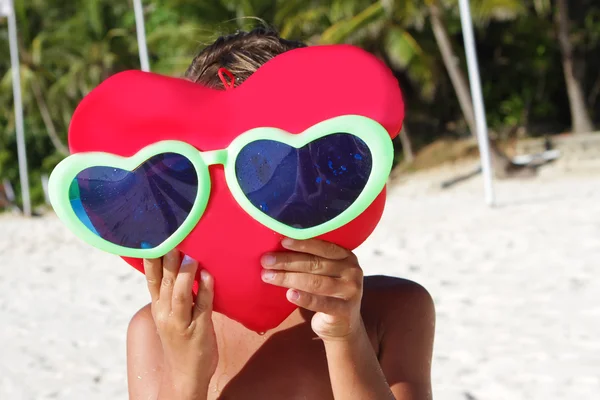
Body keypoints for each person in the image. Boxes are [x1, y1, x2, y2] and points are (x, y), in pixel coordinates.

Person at [126, 28, 435, 400]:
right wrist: (184, 377)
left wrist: (344, 335)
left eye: (272, 167)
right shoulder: (156, 331)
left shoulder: (393, 309)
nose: (242, 202)